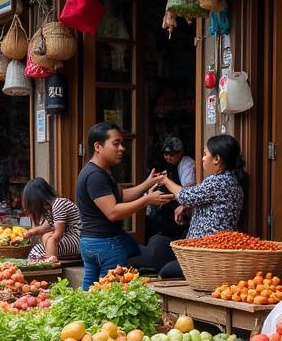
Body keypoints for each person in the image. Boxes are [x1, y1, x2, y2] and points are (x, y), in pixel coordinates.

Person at [76, 122, 172, 289]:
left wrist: (147, 184)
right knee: (110, 294)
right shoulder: (95, 176)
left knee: (89, 292)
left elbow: (120, 196)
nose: (122, 148)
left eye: (122, 143)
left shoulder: (100, 172)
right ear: (98, 146)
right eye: (116, 143)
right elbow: (112, 212)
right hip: (105, 243)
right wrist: (147, 200)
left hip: (91, 242)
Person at [151, 133, 247, 279]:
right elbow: (209, 204)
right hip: (213, 248)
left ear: (216, 159)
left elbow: (186, 196)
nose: (202, 158)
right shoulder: (231, 180)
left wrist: (165, 180)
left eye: (205, 154)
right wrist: (187, 208)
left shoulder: (218, 181)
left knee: (166, 272)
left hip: (207, 251)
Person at [148, 135, 197, 239]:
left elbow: (188, 190)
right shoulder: (171, 164)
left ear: (181, 152)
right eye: (166, 154)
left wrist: (168, 196)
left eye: (172, 154)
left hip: (181, 205)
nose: (168, 157)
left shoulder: (187, 164)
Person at [22, 177, 81, 262]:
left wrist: (50, 259)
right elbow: (47, 226)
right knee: (36, 250)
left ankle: (51, 266)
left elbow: (57, 234)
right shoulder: (49, 208)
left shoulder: (58, 204)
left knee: (46, 239)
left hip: (78, 241)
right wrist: (30, 233)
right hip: (68, 240)